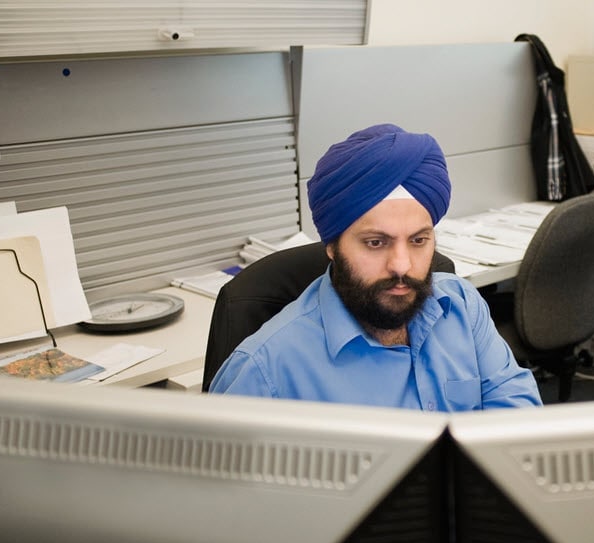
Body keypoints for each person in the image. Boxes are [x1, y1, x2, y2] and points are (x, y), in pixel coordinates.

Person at [210, 123, 542, 410]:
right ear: (332, 246)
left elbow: (520, 429)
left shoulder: (463, 308)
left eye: (418, 240)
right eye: (375, 243)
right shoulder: (265, 372)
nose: (401, 265)